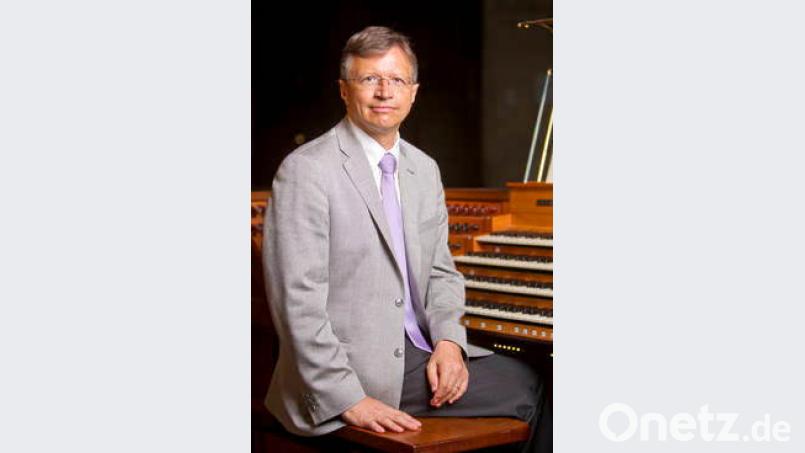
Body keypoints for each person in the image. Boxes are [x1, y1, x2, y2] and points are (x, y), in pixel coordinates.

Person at [263, 26, 549, 452]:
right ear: (344, 90)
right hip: (348, 371)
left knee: (537, 374)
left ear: (413, 92)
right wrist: (350, 399)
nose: (384, 92)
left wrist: (450, 342)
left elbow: (441, 272)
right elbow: (296, 304)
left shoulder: (423, 169)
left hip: (418, 352)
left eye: (396, 80)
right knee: (534, 387)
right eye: (369, 79)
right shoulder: (307, 170)